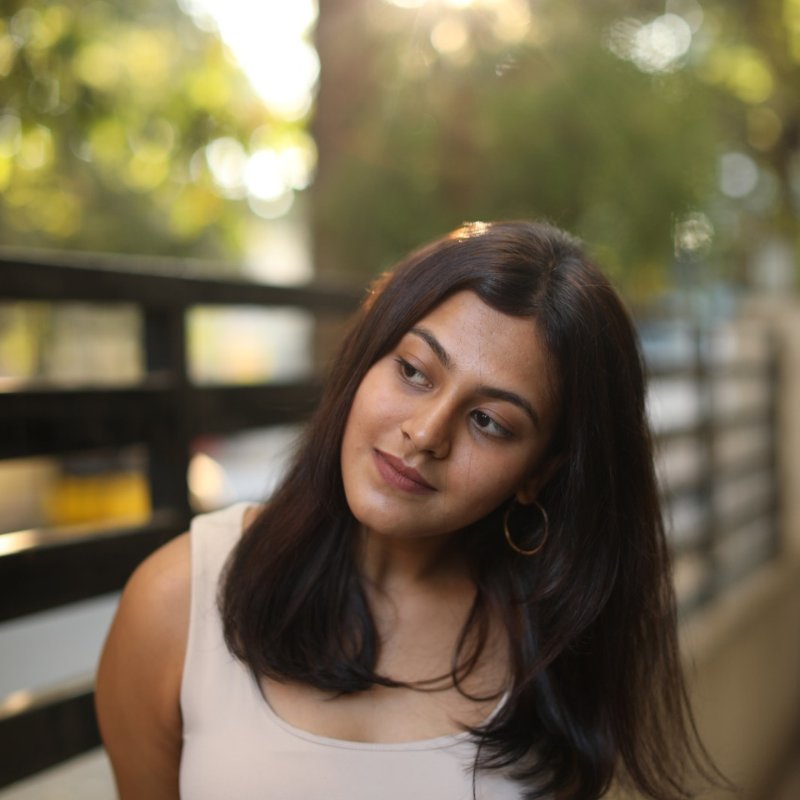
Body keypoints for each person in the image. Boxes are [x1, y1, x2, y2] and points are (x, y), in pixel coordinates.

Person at [96, 220, 719, 799]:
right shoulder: (176, 601)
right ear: (364, 359)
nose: (425, 433)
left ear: (537, 475)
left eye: (489, 421)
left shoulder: (558, 647)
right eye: (414, 371)